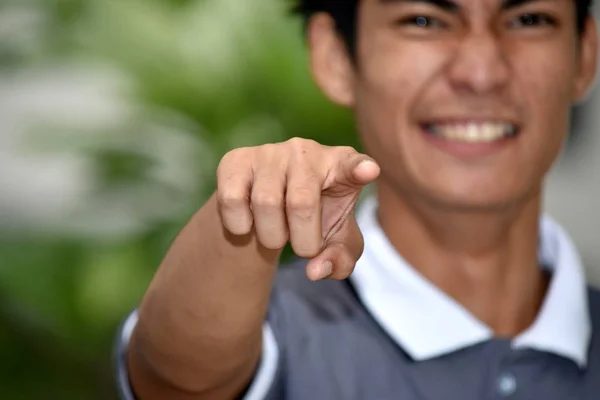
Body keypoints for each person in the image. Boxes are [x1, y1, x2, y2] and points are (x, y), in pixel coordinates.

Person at [115, 0, 600, 399]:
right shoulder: (275, 334)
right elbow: (177, 376)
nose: (481, 72)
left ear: (584, 54)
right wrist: (248, 204)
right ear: (335, 56)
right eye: (424, 20)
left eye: (528, 19)